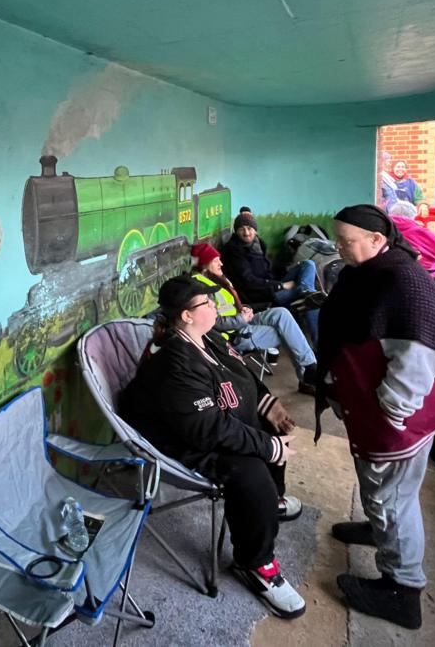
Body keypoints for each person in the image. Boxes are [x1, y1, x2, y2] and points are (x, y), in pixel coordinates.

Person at [120, 275, 306, 619]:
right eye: (206, 302)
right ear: (186, 316)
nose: (215, 306)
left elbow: (244, 375)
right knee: (251, 467)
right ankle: (256, 563)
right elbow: (208, 430)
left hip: (206, 425)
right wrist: (267, 447)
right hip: (179, 440)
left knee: (266, 431)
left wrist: (269, 406)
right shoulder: (173, 361)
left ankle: (267, 503)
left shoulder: (209, 338)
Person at [314, 204, 435, 630]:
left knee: (391, 498)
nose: (338, 247)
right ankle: (382, 533)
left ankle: (403, 589)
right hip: (374, 408)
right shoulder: (368, 273)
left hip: (399, 416)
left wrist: (390, 415)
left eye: (346, 240)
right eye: (337, 238)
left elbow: (416, 361)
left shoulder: (404, 282)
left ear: (378, 240)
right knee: (385, 490)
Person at [190, 242, 318, 394]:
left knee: (281, 313)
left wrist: (245, 309)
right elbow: (214, 323)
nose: (221, 263)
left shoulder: (217, 279)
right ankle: (308, 376)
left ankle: (310, 370)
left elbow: (229, 306)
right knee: (287, 332)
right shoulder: (201, 288)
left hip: (241, 321)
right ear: (205, 263)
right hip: (234, 336)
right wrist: (242, 318)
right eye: (216, 260)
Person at [219, 210, 324, 344]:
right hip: (261, 294)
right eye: (241, 229)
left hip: (271, 285)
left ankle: (305, 291)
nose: (246, 233)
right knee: (313, 300)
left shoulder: (258, 244)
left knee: (308, 264)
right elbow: (249, 281)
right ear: (236, 231)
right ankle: (318, 344)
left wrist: (283, 275)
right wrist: (280, 285)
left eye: (250, 228)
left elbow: (267, 272)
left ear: (255, 230)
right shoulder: (234, 250)